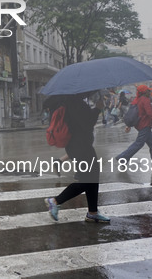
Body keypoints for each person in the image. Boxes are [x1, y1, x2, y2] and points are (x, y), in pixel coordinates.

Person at [44, 93, 110, 223]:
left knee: (92, 177)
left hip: (78, 146)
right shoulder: (76, 104)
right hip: (80, 147)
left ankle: (93, 212)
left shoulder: (70, 102)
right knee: (86, 180)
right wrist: (97, 108)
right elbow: (87, 124)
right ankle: (55, 201)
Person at [116, 85, 152, 162]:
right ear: (144, 92)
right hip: (144, 125)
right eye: (148, 90)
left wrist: (128, 125)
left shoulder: (136, 100)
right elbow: (150, 114)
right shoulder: (145, 100)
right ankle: (123, 157)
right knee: (139, 143)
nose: (150, 92)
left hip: (140, 125)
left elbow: (132, 113)